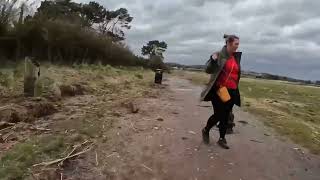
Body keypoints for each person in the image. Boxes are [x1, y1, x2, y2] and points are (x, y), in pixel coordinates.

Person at [200, 34, 242, 149]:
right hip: (220, 90)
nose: (237, 46)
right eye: (236, 44)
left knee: (226, 115)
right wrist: (212, 60)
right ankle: (206, 130)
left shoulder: (236, 57)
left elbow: (236, 74)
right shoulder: (219, 55)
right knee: (219, 114)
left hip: (232, 91)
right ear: (228, 43)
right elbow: (208, 70)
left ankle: (222, 139)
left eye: (238, 44)